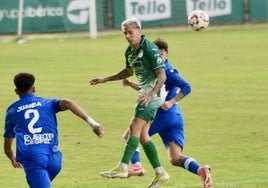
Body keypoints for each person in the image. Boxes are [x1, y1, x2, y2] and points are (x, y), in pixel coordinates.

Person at [121, 38, 213, 188]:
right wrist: (130, 83)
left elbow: (186, 86)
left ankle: (137, 165)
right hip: (175, 117)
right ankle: (201, 170)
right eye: (157, 53)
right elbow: (151, 90)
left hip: (163, 115)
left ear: (167, 55)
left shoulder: (167, 71)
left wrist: (171, 101)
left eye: (162, 53)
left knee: (131, 135)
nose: (159, 56)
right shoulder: (157, 70)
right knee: (175, 158)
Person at [89, 18, 169, 188]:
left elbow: (162, 76)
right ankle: (160, 173)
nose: (127, 36)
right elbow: (128, 71)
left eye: (130, 32)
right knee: (142, 135)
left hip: (153, 94)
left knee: (134, 127)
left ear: (139, 30)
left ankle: (123, 167)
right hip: (145, 93)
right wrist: (105, 79)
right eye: (125, 33)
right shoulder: (130, 51)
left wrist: (151, 94)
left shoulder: (150, 49)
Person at [3, 72, 104, 188]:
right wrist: (92, 123)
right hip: (55, 159)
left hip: (34, 159)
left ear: (16, 91)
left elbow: (7, 147)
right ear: (34, 89)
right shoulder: (47, 103)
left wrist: (12, 157)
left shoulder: (12, 111)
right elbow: (68, 102)